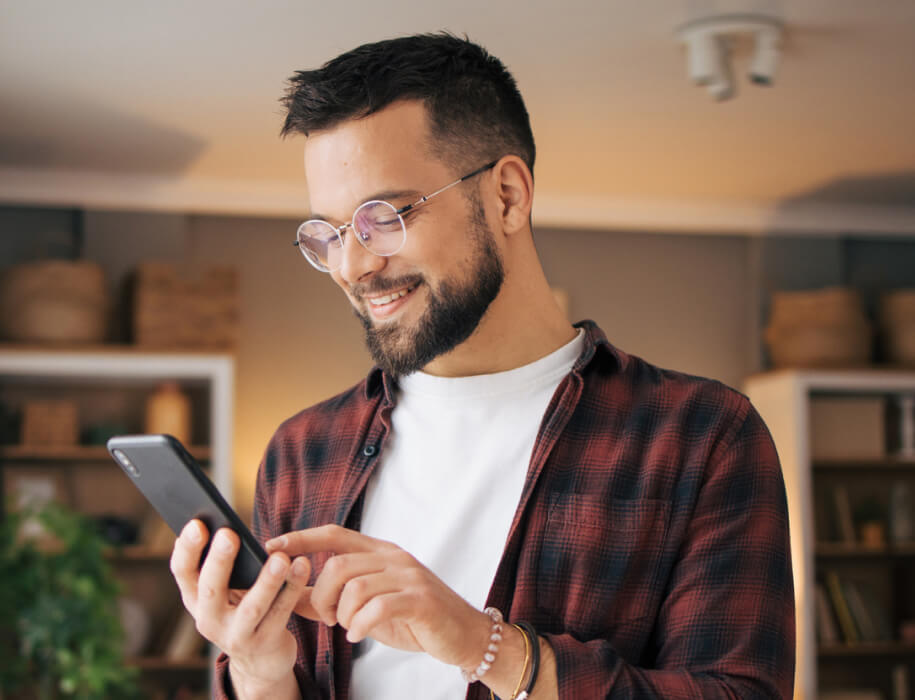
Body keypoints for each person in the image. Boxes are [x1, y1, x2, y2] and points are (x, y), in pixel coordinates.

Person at [169, 33, 795, 699]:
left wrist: (482, 645)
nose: (352, 266)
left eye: (382, 215)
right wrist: (260, 672)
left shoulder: (701, 437)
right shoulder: (301, 451)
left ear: (505, 196)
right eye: (328, 234)